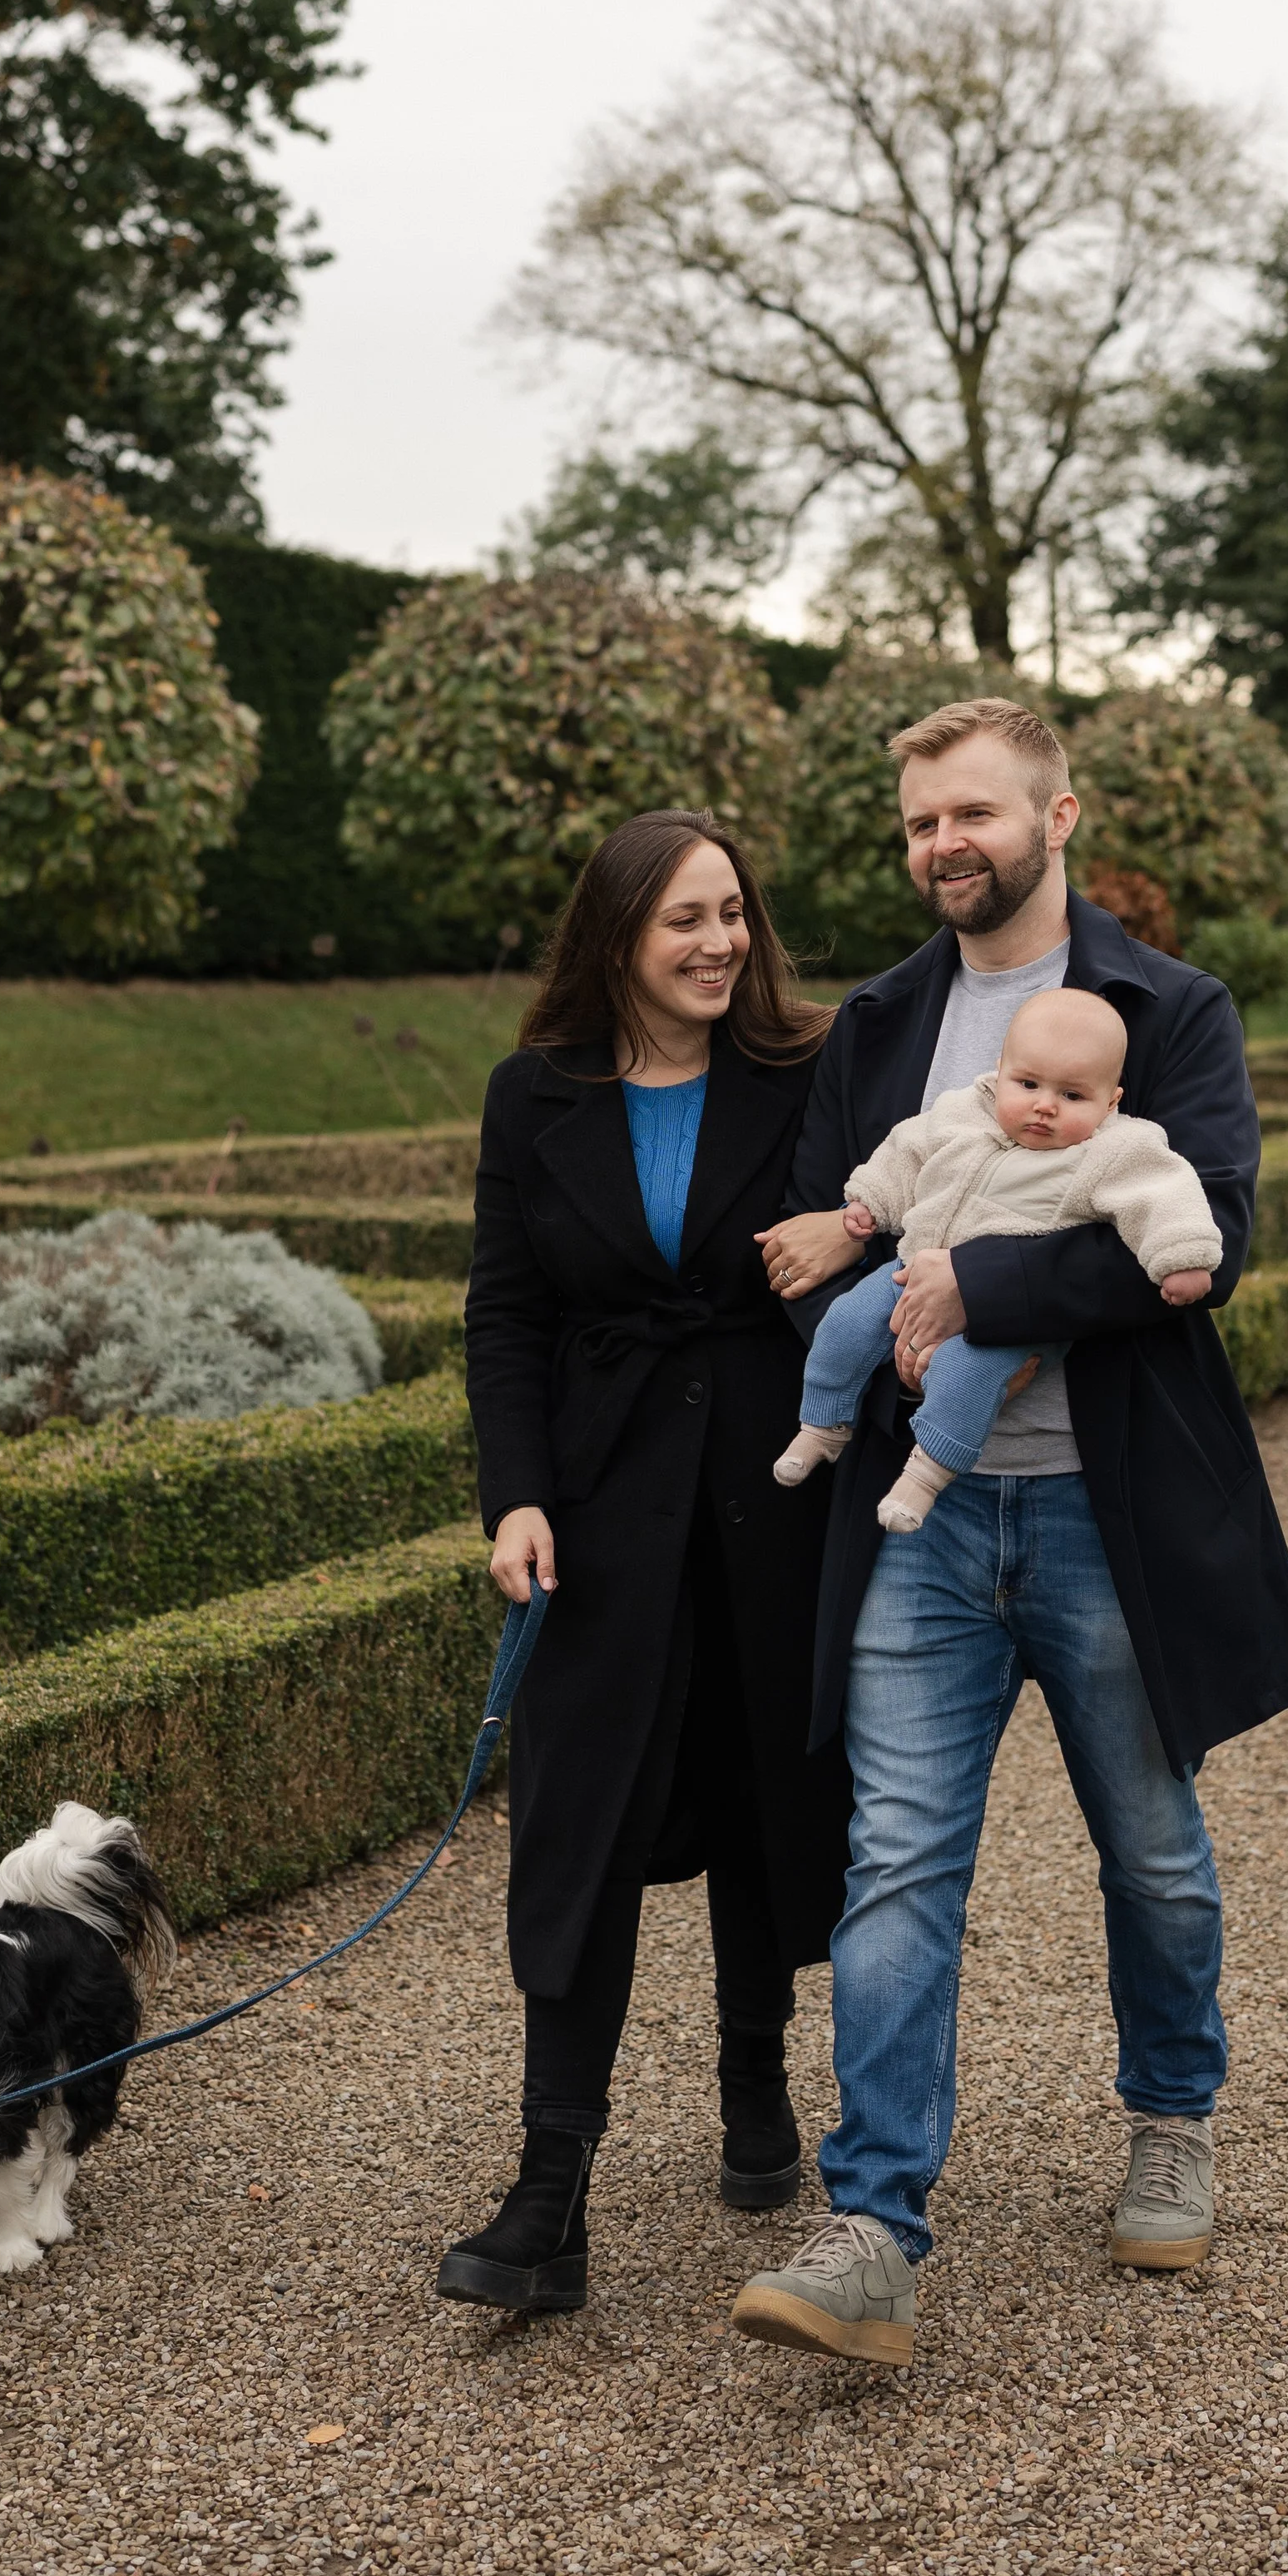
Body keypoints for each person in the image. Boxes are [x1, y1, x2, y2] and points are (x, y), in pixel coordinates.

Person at [729, 696, 1288, 2370]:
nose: (943, 845)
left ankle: (1170, 2116)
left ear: (1056, 820)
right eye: (920, 821)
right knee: (896, 1858)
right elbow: (824, 1234)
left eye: (973, 814)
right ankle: (872, 2227)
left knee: (1144, 1842)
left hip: (1102, 1515)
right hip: (919, 1521)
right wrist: (870, 1320)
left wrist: (972, 1280)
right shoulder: (874, 1022)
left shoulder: (1171, 1011)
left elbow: (1202, 1239)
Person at [438, 809, 853, 2316]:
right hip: (604, 1506)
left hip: (772, 1488)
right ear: (616, 933)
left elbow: (890, 1219)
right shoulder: (531, 1093)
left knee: (760, 1793)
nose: (718, 943)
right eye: (685, 918)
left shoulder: (807, 1071)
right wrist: (517, 1496)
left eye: (733, 913)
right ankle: (551, 2194)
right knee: (579, 1824)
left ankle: (757, 2084)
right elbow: (506, 1315)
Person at [773, 986, 1221, 1532]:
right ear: (1000, 1071)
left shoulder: (1114, 1150)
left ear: (1111, 1101)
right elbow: (906, 1149)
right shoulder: (965, 1111)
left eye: (1072, 1096)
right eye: (1028, 1084)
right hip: (915, 1267)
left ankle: (926, 1474)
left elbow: (1164, 1193)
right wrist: (870, 1200)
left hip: (1019, 1313)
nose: (1043, 1105)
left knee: (966, 1369)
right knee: (845, 1321)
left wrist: (1180, 1257)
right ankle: (822, 1424)